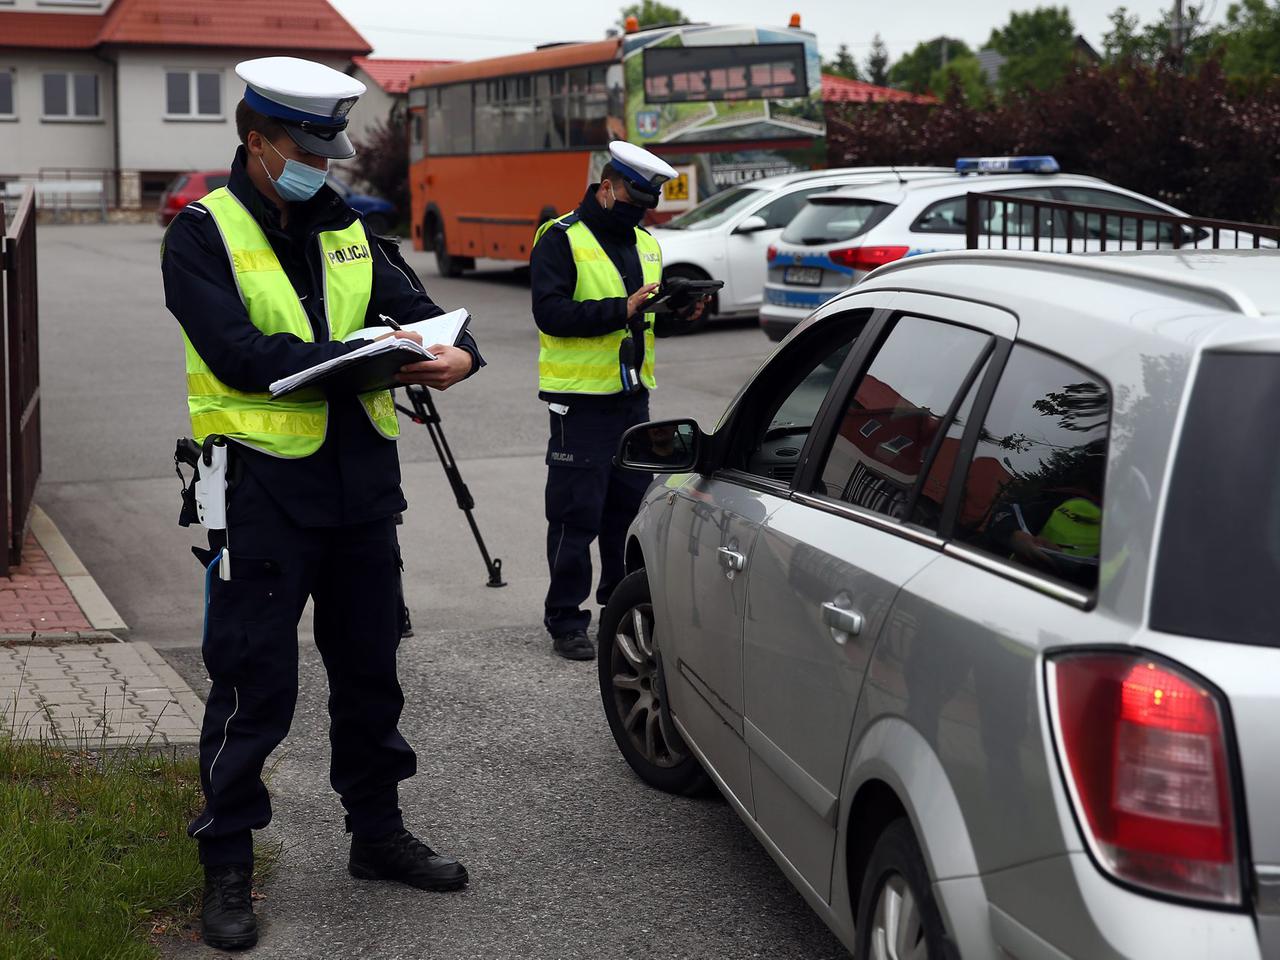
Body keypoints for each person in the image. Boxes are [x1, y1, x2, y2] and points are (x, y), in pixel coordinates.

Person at [161, 56, 482, 951]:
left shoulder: (349, 229)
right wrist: (348, 355)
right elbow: (237, 353)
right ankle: (227, 861)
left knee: (371, 678)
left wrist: (457, 356)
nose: (322, 166)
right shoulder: (201, 233)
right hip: (261, 493)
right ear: (257, 143)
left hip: (360, 496)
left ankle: (376, 838)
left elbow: (423, 314)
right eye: (305, 150)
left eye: (328, 151)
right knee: (252, 683)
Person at [530, 141, 707, 661]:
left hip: (633, 399)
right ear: (606, 188)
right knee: (574, 514)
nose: (638, 211)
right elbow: (551, 314)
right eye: (632, 199)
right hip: (578, 401)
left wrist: (680, 314)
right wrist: (619, 308)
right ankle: (566, 620)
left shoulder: (646, 243)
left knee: (627, 512)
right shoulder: (560, 237)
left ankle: (620, 608)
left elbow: (643, 319)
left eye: (646, 205)